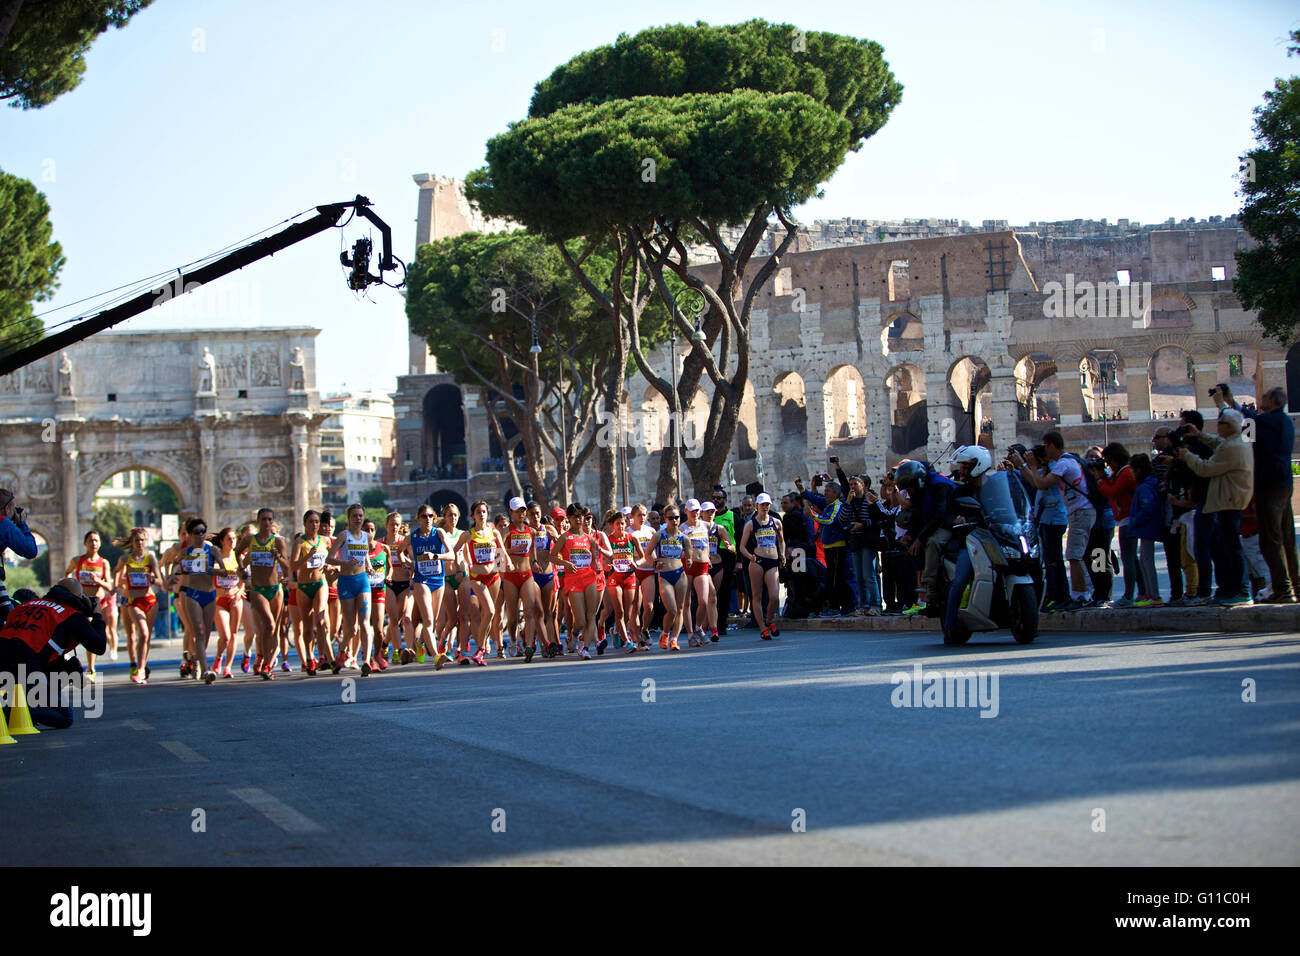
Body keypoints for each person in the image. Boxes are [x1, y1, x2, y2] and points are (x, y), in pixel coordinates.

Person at [1217, 385, 1297, 603]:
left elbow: (1246, 428)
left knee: (1271, 541)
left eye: (1264, 397)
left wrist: (1227, 404)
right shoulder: (1284, 421)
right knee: (1287, 538)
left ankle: (1283, 589)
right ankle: (1295, 586)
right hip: (1283, 484)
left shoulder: (1268, 422)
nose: (1260, 400)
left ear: (1272, 401)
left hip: (1269, 486)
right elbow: (1250, 433)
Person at [0, 579, 105, 729]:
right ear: (76, 597)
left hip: (6, 668)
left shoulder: (24, 606)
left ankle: (12, 704)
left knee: (63, 668)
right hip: (26, 670)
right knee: (65, 717)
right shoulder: (70, 614)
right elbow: (99, 646)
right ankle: (15, 711)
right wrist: (98, 616)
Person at [1010, 431, 1095, 611]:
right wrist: (1023, 466)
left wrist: (1029, 465)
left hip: (1073, 514)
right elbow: (1035, 482)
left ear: (1050, 445)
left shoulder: (1063, 463)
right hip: (1073, 513)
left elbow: (1040, 483)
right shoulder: (1064, 463)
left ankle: (1080, 596)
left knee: (1072, 556)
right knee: (1063, 558)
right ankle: (1072, 595)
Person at [1177, 408, 1255, 605]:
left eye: (1220, 423)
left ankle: (1242, 590)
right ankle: (1228, 590)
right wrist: (1199, 434)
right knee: (1222, 547)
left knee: (1231, 547)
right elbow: (1217, 442)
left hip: (1229, 500)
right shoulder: (1236, 441)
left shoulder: (1232, 447)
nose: (1217, 425)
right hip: (1228, 499)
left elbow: (1205, 469)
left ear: (1230, 427)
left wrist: (1187, 456)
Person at [893, 459, 957, 615]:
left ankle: (930, 586)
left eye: (909, 487)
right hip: (932, 525)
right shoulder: (918, 489)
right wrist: (910, 535)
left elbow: (938, 515)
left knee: (933, 542)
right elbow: (918, 514)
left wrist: (919, 539)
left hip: (949, 524)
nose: (909, 491)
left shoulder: (939, 485)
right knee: (912, 548)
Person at [238, 508, 289, 680]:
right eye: (263, 519)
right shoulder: (250, 540)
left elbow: (287, 567)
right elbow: (237, 552)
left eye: (269, 519)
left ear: (272, 521)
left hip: (275, 590)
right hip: (258, 589)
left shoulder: (278, 541)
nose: (266, 523)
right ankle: (265, 661)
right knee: (269, 625)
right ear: (258, 521)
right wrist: (242, 569)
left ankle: (267, 664)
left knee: (274, 631)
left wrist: (278, 557)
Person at [328, 504, 377, 675]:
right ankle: (341, 653)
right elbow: (329, 558)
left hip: (362, 581)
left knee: (365, 623)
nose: (358, 518)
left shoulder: (366, 536)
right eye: (354, 516)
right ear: (349, 518)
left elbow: (364, 556)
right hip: (346, 582)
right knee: (351, 629)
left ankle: (366, 661)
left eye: (360, 515)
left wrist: (369, 566)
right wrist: (344, 563)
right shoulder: (343, 536)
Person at [173, 517, 220, 684]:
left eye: (203, 532)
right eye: (196, 532)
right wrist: (172, 577)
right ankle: (206, 668)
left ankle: (195, 656)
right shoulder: (186, 552)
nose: (200, 535)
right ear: (190, 535)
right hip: (192, 594)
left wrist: (211, 570)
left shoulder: (212, 550)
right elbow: (174, 565)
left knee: (206, 633)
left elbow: (224, 571)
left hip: (210, 594)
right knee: (198, 631)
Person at [798, 476, 852, 616]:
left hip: (837, 546)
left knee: (836, 578)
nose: (825, 493)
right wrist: (801, 488)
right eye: (825, 490)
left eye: (828, 491)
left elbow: (829, 520)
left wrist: (813, 517)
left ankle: (837, 607)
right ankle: (836, 606)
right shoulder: (827, 504)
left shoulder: (837, 505)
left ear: (835, 493)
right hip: (828, 547)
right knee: (831, 577)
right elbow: (813, 497)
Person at [65, 531, 115, 681]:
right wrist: (70, 586)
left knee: (95, 634)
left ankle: (91, 667)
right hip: (82, 602)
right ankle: (86, 666)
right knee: (85, 633)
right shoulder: (77, 560)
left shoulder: (104, 562)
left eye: (96, 541)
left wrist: (98, 581)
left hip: (98, 603)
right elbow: (67, 573)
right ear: (85, 543)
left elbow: (109, 586)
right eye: (91, 540)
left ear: (100, 543)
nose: (94, 543)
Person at [642, 505, 691, 651]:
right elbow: (647, 553)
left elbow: (689, 556)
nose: (674, 520)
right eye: (671, 518)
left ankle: (674, 640)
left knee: (680, 609)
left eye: (676, 517)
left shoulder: (684, 538)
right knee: (672, 610)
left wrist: (689, 561)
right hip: (664, 575)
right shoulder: (659, 535)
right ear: (666, 519)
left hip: (680, 574)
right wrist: (654, 562)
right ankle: (665, 633)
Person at [737, 493, 785, 639]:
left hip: (772, 561)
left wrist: (782, 554)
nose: (765, 507)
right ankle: (763, 628)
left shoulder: (776, 522)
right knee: (756, 596)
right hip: (757, 561)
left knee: (774, 597)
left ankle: (769, 620)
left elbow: (782, 541)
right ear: (757, 506)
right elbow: (742, 546)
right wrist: (750, 556)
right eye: (762, 504)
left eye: (767, 504)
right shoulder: (751, 524)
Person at [1097, 443, 1138, 607]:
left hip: (1128, 518)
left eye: (1109, 461)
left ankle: (1129, 595)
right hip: (1124, 518)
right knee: (1132, 558)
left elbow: (1112, 492)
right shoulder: (1120, 473)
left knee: (1128, 559)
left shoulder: (1126, 473)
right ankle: (1141, 592)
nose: (1108, 465)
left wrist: (1100, 479)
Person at [1126, 455, 1164, 606]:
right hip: (1148, 528)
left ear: (1139, 470)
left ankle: (1153, 595)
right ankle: (1150, 594)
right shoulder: (1151, 484)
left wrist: (1135, 520)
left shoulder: (1144, 487)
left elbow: (1148, 507)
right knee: (1144, 561)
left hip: (1146, 528)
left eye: (1133, 470)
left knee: (1146, 562)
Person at [210, 527, 246, 678]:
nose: (232, 542)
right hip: (219, 600)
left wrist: (239, 591)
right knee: (224, 636)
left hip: (235, 598)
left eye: (234, 539)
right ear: (222, 541)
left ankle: (228, 667)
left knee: (233, 634)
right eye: (229, 539)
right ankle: (218, 656)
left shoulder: (239, 558)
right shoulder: (216, 559)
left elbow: (244, 578)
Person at [0, 488, 38, 624]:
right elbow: (30, 550)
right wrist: (22, 524)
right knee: (9, 619)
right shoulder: (3, 523)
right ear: (6, 509)